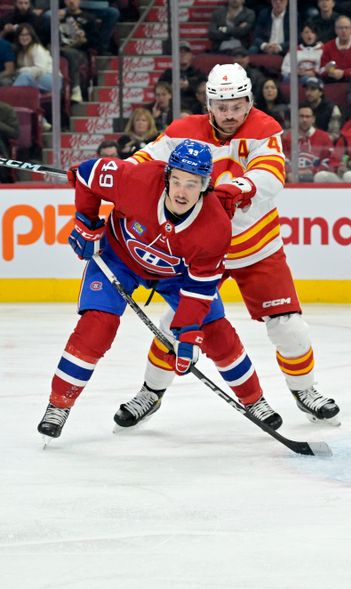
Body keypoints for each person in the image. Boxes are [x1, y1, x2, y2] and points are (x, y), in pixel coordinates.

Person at [125, 63, 341, 427]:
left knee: (288, 325)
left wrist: (234, 190)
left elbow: (271, 174)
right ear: (209, 104)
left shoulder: (264, 129)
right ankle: (150, 391)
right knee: (175, 322)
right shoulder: (183, 131)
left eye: (237, 105)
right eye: (221, 107)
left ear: (249, 101)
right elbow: (144, 161)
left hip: (258, 246)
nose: (229, 114)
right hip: (203, 250)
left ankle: (305, 390)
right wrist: (114, 175)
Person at [36, 140, 282, 441]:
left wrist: (188, 334)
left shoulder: (215, 227)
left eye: (192, 184)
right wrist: (86, 223)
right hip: (118, 258)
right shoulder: (138, 180)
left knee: (217, 333)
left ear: (205, 186)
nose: (181, 191)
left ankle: (254, 400)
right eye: (176, 180)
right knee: (96, 328)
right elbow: (87, 175)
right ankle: (58, 405)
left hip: (176, 278)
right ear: (166, 176)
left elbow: (198, 288)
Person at [11, 23, 52, 92]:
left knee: (25, 77)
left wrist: (22, 70)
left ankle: (9, 99)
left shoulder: (37, 48)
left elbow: (41, 70)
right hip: (35, 79)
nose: (24, 37)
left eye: (27, 34)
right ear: (17, 37)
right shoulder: (20, 51)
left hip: (51, 79)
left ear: (32, 36)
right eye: (21, 35)